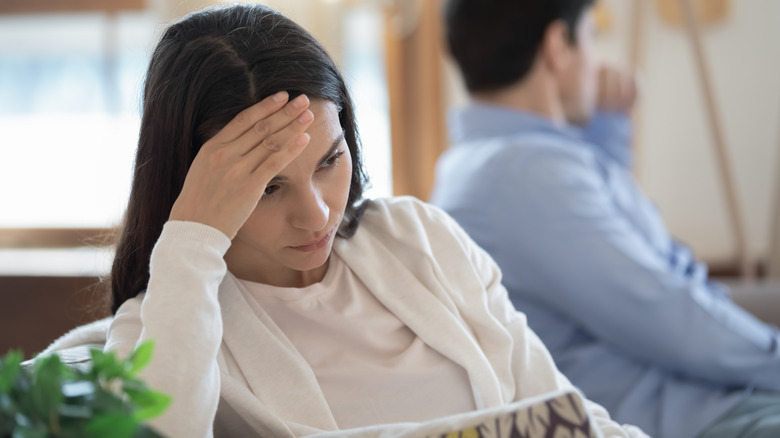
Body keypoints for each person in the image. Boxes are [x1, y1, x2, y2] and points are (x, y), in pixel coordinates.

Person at [78, 4, 649, 438]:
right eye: (268, 187)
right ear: (195, 190)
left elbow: (562, 410)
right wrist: (190, 244)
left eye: (329, 161)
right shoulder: (167, 325)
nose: (318, 213)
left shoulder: (419, 239)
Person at [430, 1, 780, 438]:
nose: (598, 61)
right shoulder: (525, 176)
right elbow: (664, 313)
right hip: (686, 413)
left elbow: (622, 235)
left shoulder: (491, 161)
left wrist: (605, 124)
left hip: (696, 396)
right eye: (592, 36)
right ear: (558, 45)